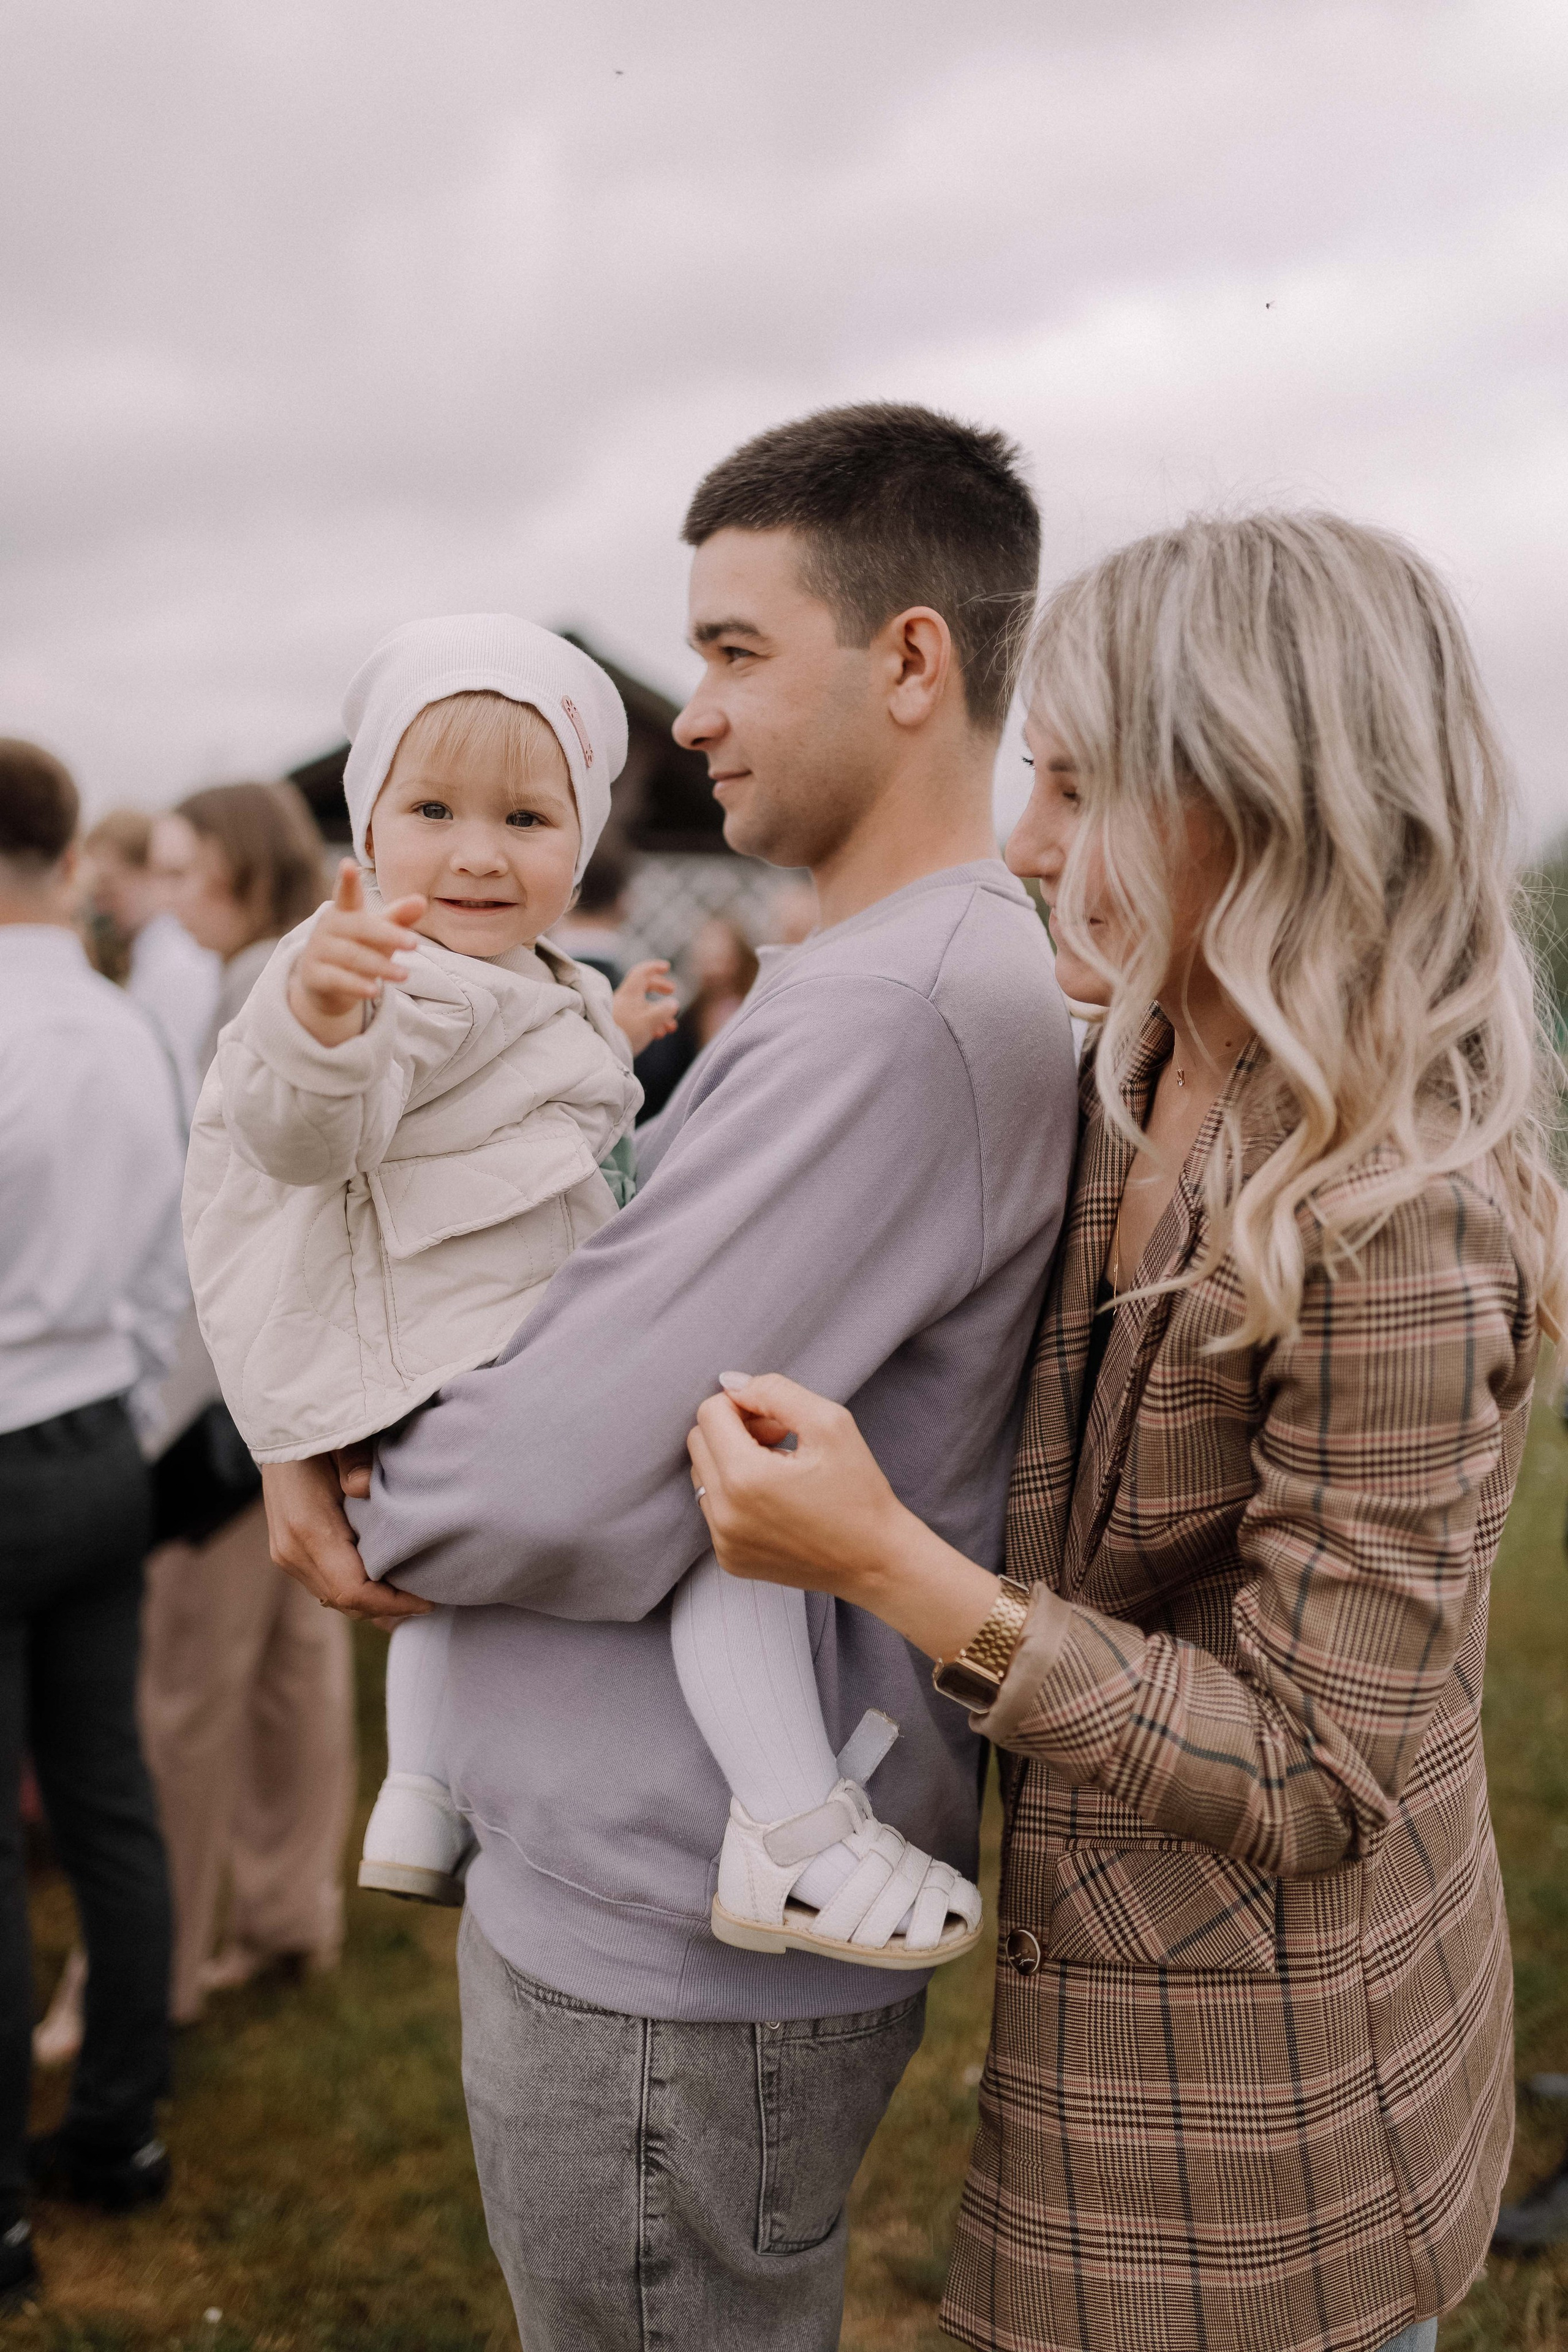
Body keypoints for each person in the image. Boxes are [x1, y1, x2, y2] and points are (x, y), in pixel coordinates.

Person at [686, 510, 1567, 2352]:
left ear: (1265, 801)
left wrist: (892, 1568)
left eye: (1080, 787)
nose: (1021, 845)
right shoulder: (1142, 1056)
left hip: (1263, 2096)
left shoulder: (1399, 1207)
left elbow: (1323, 1770)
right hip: (1100, 1981)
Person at [261, 401, 1077, 2348]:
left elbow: (545, 1460)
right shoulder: (882, 971)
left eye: (731, 650)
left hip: (664, 1946)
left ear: (908, 660)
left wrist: (368, 1477)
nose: (685, 714)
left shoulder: (897, 1009)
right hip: (637, 1875)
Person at [183, 620, 676, 1910]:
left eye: (524, 817)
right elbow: (297, 1138)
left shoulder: (537, 978)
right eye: (435, 809)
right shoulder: (377, 971)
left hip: (494, 1328)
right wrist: (320, 1020)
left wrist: (610, 1035)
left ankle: (418, 1794)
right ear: (366, 832)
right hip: (440, 1340)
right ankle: (785, 1806)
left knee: (437, 1600)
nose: (475, 851)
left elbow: (550, 1107)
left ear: (578, 845)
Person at [0, 741, 187, 2312]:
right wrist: (123, 1423)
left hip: (12, 1437)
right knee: (109, 1799)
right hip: (97, 1446)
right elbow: (172, 1262)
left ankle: (2, 2206)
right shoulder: (127, 1024)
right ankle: (118, 2132)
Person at [136, 781, 356, 2022]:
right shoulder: (288, 979)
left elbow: (218, 1239)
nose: (167, 901)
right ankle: (287, 1916)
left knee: (188, 1699)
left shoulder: (256, 1001)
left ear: (238, 869)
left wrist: (163, 1420)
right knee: (290, 1672)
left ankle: (151, 1975)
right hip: (303, 1395)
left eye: (182, 874)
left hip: (231, 1408)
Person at [80, 809, 221, 1123]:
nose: (99, 902)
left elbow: (178, 1082)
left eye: (108, 884)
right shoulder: (149, 956)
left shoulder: (180, 961)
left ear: (147, 872)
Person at [633, 913, 761, 1119]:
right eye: (705, 951)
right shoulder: (691, 1014)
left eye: (718, 954)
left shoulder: (746, 1010)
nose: (709, 961)